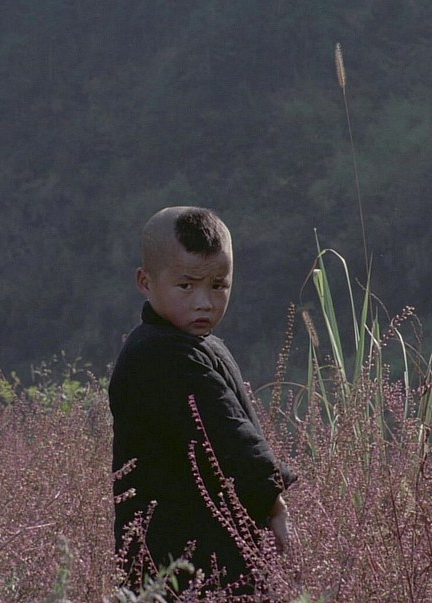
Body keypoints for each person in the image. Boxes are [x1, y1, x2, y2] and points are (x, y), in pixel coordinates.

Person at [108, 206, 296, 596]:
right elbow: (226, 433)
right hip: (178, 555)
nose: (204, 302)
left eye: (218, 285)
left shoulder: (202, 346)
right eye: (186, 286)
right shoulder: (158, 355)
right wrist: (272, 500)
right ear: (145, 282)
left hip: (208, 549)